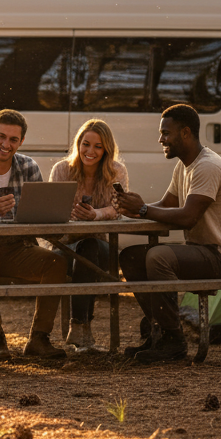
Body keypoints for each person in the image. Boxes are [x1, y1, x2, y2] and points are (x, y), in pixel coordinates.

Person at [114, 104, 221, 363]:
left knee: (158, 257)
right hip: (202, 251)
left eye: (166, 133)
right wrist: (134, 207)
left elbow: (187, 217)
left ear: (185, 133)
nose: (160, 139)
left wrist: (142, 210)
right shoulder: (184, 165)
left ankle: (173, 340)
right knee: (130, 257)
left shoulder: (207, 167)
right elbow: (166, 206)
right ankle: (159, 331)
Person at [0, 109, 70, 361]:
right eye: (1, 137)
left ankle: (39, 338)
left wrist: (57, 215)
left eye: (13, 139)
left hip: (17, 244)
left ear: (21, 142)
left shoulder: (29, 166)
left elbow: (39, 213)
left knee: (57, 261)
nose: (6, 144)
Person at [48, 118, 129, 352]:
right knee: (83, 250)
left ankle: (77, 326)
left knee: (90, 247)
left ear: (106, 149)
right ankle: (82, 331)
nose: (90, 151)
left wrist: (95, 215)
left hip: (99, 246)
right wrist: (72, 215)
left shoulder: (117, 171)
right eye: (86, 144)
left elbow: (118, 208)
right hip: (65, 245)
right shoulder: (62, 170)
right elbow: (53, 211)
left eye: (98, 146)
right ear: (78, 144)